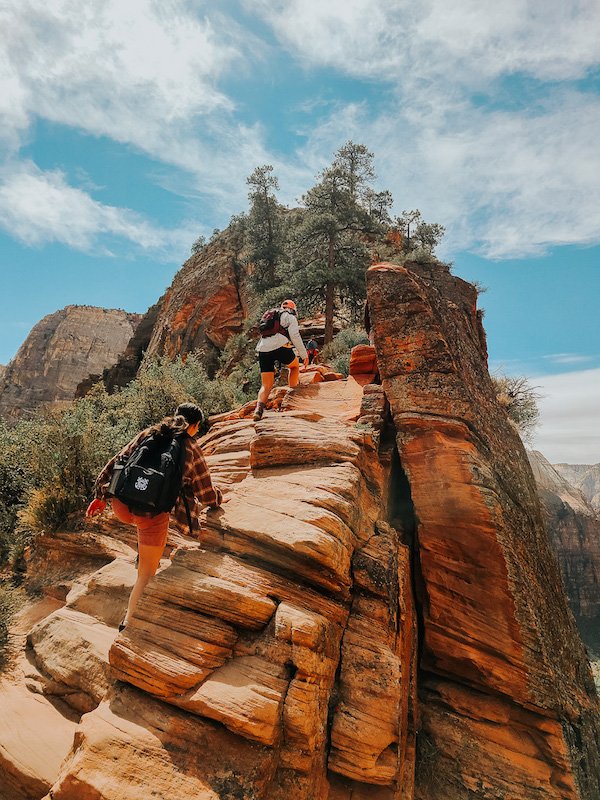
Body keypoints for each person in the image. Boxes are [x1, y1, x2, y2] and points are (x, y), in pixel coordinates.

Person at [86, 402, 222, 631]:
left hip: (121, 505)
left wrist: (100, 495)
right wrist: (217, 500)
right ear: (195, 426)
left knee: (143, 529)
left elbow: (117, 461)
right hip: (150, 514)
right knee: (147, 573)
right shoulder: (190, 447)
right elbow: (204, 491)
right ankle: (128, 622)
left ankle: (143, 552)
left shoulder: (151, 432)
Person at [253, 299, 308, 421]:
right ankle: (293, 397)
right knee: (294, 366)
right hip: (280, 346)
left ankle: (258, 410)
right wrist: (304, 355)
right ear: (293, 309)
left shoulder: (272, 315)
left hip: (263, 349)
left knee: (266, 384)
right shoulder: (290, 316)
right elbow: (294, 335)